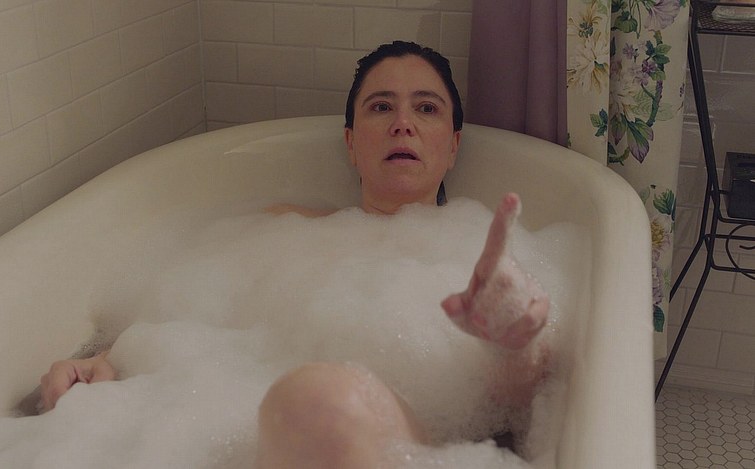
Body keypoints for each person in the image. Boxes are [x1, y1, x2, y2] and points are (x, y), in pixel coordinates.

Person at [37, 41, 552, 467]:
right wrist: (105, 362)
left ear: (454, 145)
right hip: (249, 431)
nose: (402, 123)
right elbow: (185, 311)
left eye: (426, 108)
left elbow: (514, 405)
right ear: (350, 142)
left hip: (417, 439)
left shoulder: (482, 257)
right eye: (380, 107)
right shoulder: (282, 229)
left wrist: (513, 345)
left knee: (318, 403)